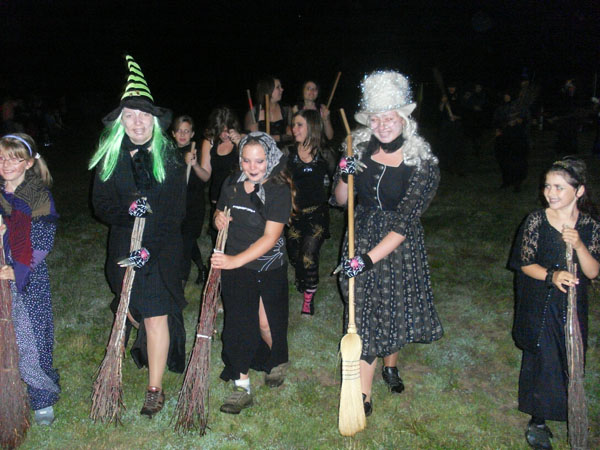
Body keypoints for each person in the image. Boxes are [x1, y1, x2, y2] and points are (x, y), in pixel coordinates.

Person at [331, 71, 443, 417]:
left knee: (393, 308)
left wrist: (367, 260)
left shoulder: (423, 164)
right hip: (362, 233)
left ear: (404, 119)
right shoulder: (359, 150)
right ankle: (362, 395)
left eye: (389, 118)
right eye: (376, 118)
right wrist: (345, 174)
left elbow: (404, 222)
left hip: (398, 247)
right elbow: (340, 201)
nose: (382, 125)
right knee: (363, 314)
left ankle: (391, 366)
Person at [89, 55, 187, 418]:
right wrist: (128, 210)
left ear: (154, 120)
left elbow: (174, 214)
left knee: (156, 314)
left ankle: (154, 388)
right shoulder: (110, 158)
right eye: (129, 116)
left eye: (143, 115)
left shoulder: (170, 158)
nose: (137, 122)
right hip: (122, 244)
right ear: (121, 121)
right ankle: (138, 346)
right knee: (131, 309)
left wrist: (148, 251)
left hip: (160, 249)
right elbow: (100, 205)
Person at [509, 157, 599, 450]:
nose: (551, 192)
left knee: (568, 355)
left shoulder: (589, 225)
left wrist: (579, 245)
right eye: (548, 186)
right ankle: (537, 419)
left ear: (579, 191)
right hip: (540, 301)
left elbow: (592, 271)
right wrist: (552, 275)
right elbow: (524, 263)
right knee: (542, 356)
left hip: (572, 306)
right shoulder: (537, 221)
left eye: (559, 187)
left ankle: (567, 406)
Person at [211, 131, 293, 414]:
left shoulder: (278, 190)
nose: (252, 167)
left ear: (270, 159)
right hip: (236, 266)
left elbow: (270, 237)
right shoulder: (232, 184)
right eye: (246, 160)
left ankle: (277, 359)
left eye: (259, 161)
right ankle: (241, 386)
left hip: (268, 265)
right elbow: (219, 211)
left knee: (267, 323)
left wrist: (234, 261)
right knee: (239, 325)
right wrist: (218, 218)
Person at [0, 133, 59, 425]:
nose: (6, 164)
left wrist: (18, 270)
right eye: (1, 158)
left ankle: (42, 397)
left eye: (14, 159)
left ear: (29, 163)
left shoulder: (37, 196)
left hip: (28, 279)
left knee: (32, 338)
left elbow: (42, 241)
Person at [286, 109, 331, 315]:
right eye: (293, 125)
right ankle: (302, 277)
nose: (294, 129)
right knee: (294, 255)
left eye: (299, 125)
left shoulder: (324, 154)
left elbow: (340, 177)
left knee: (308, 256)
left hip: (317, 213)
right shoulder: (288, 153)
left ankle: (308, 298)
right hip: (295, 213)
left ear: (311, 126)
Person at [196, 107, 243, 245]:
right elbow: (206, 176)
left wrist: (240, 143)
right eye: (220, 130)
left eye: (227, 130)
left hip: (239, 199)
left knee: (237, 243)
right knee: (219, 244)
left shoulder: (243, 139)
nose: (223, 134)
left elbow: (251, 168)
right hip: (218, 201)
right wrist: (194, 165)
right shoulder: (210, 142)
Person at [171, 115, 208, 285]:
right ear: (173, 133)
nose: (183, 134)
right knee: (186, 241)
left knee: (185, 245)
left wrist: (194, 164)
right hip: (176, 205)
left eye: (186, 131)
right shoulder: (170, 153)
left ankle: (180, 283)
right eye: (179, 131)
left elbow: (204, 178)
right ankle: (202, 268)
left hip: (193, 206)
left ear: (192, 134)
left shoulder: (196, 152)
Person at [493, 88, 530, 192]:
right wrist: (499, 128)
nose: (506, 97)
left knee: (517, 160)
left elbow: (527, 121)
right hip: (505, 138)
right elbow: (496, 121)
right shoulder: (501, 108)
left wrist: (519, 121)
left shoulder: (520, 107)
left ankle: (517, 182)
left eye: (508, 95)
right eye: (505, 95)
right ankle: (507, 180)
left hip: (518, 137)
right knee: (504, 160)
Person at [245, 76, 292, 144]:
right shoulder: (254, 112)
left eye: (281, 87)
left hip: (282, 149)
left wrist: (273, 138)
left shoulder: (286, 109)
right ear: (268, 90)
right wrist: (252, 134)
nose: (282, 89)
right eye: (278, 87)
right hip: (262, 149)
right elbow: (247, 139)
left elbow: (292, 136)